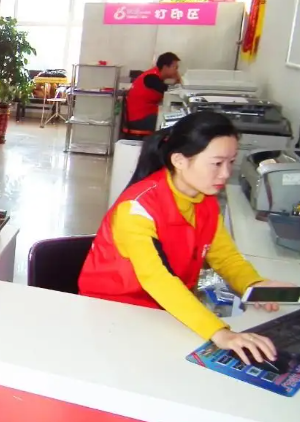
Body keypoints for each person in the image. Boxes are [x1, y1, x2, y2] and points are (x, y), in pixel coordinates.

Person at [78, 111, 294, 365]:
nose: (226, 173)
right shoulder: (136, 209)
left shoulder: (204, 201)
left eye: (231, 162)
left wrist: (254, 285)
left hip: (165, 311)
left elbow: (225, 257)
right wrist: (220, 333)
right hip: (113, 314)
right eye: (217, 163)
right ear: (179, 160)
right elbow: (158, 280)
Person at [125, 52, 182, 133]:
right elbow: (169, 91)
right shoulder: (151, 78)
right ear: (165, 67)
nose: (176, 71)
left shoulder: (154, 75)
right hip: (140, 119)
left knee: (174, 121)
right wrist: (178, 79)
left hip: (144, 116)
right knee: (175, 124)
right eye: (175, 67)